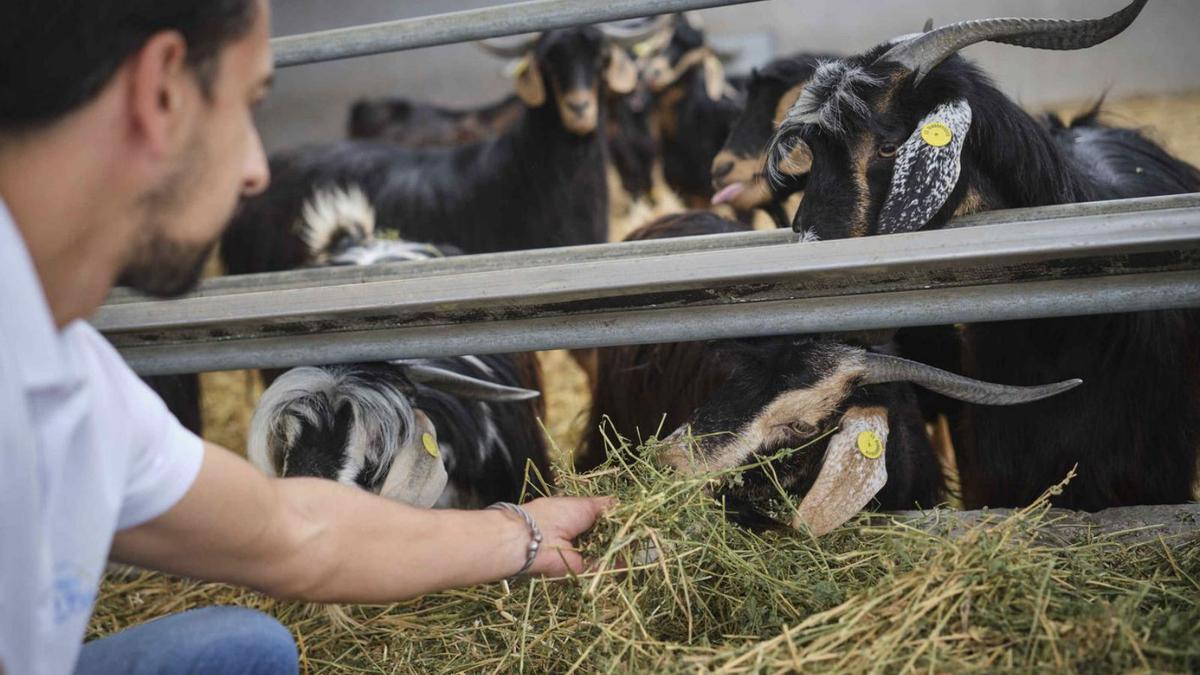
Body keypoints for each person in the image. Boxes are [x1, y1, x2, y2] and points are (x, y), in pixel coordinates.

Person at [0, 2, 612, 674]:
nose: (257, 172)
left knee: (249, 648)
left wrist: (520, 534)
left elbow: (292, 532)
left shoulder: (75, 368)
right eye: (249, 105)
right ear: (163, 91)